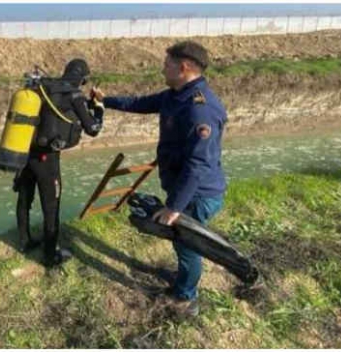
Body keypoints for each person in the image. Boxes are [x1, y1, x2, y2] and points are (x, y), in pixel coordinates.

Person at [92, 41, 227, 317]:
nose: (162, 69)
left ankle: (186, 299)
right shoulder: (175, 95)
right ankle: (184, 280)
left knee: (188, 246)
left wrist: (175, 207)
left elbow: (197, 163)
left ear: (184, 67)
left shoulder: (200, 109)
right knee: (183, 245)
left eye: (167, 64)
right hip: (184, 188)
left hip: (197, 193)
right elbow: (140, 103)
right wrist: (105, 100)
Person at [15, 58, 104, 269]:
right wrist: (98, 107)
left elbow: (59, 111)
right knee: (51, 205)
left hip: (26, 151)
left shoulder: (45, 87)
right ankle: (50, 255)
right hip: (47, 158)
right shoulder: (73, 94)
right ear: (82, 78)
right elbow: (92, 128)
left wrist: (86, 103)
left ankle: (25, 241)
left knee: (25, 197)